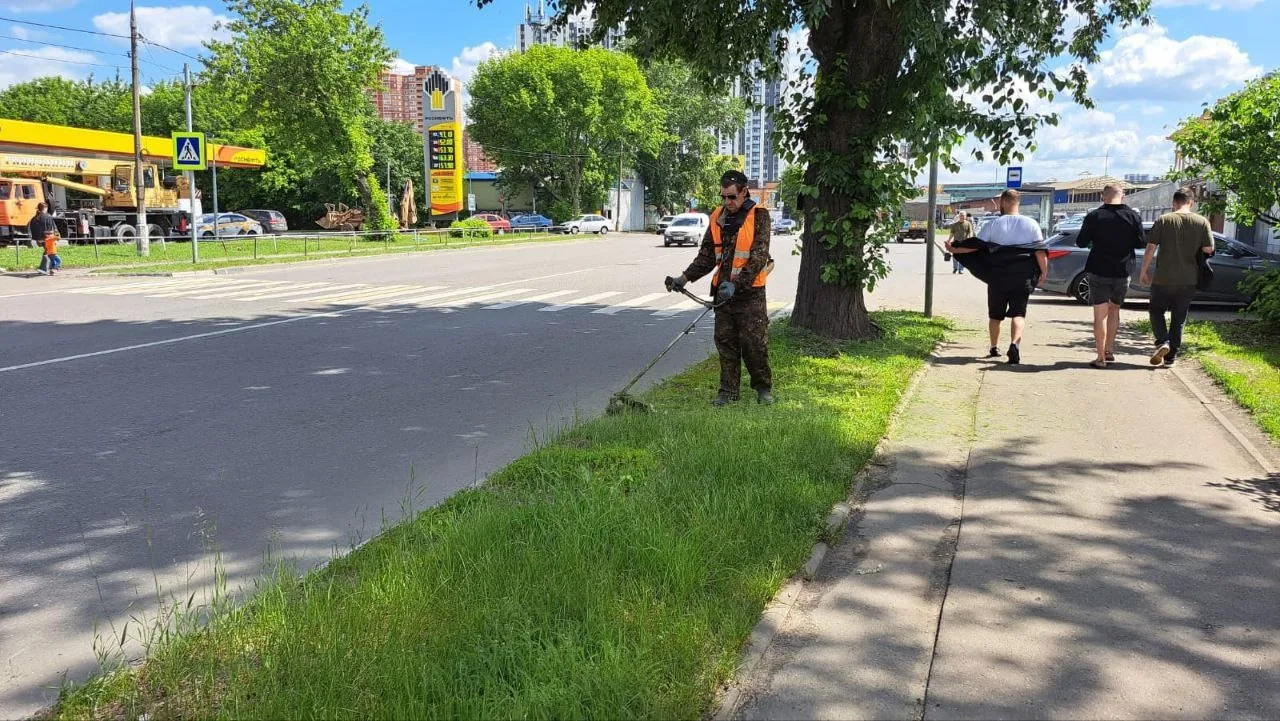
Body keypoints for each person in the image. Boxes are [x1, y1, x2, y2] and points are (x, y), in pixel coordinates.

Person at [665, 170, 774, 405]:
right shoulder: (717, 217)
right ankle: (728, 392)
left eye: (732, 197)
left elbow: (759, 256)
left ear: (744, 192)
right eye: (723, 197)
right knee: (725, 343)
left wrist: (736, 284)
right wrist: (683, 278)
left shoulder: (760, 216)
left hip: (750, 293)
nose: (727, 202)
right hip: (722, 294)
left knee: (754, 344)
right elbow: (706, 256)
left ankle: (763, 388)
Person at [946, 189, 1046, 365]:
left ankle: (993, 347)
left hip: (997, 276)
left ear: (1004, 203)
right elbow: (1039, 251)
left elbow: (975, 246)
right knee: (1019, 314)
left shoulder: (993, 225)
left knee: (995, 315)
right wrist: (1044, 271)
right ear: (1018, 202)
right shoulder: (1031, 224)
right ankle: (1014, 345)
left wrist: (955, 249)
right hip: (1022, 276)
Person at [1138, 188, 1214, 368]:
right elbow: (1208, 249)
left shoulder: (1164, 220)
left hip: (1163, 278)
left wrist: (1144, 271)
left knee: (1156, 311)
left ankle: (1162, 341)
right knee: (1179, 318)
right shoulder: (1202, 221)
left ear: (1173, 203)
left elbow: (1150, 248)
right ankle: (1170, 358)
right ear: (1191, 203)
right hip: (1188, 279)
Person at [1076, 184, 1145, 368]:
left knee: (1100, 315)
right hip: (1123, 270)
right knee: (1114, 310)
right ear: (1123, 196)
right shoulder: (1132, 216)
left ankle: (1100, 358)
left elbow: (1081, 242)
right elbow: (1141, 242)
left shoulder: (1094, 216)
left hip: (1098, 269)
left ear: (1103, 196)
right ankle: (1109, 350)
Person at [28, 202, 61, 276]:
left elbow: (33, 229)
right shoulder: (48, 216)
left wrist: (38, 239)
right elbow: (53, 228)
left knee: (48, 252)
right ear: (45, 208)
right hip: (49, 239)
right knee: (50, 253)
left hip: (40, 239)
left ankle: (47, 268)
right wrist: (55, 238)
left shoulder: (35, 218)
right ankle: (49, 268)